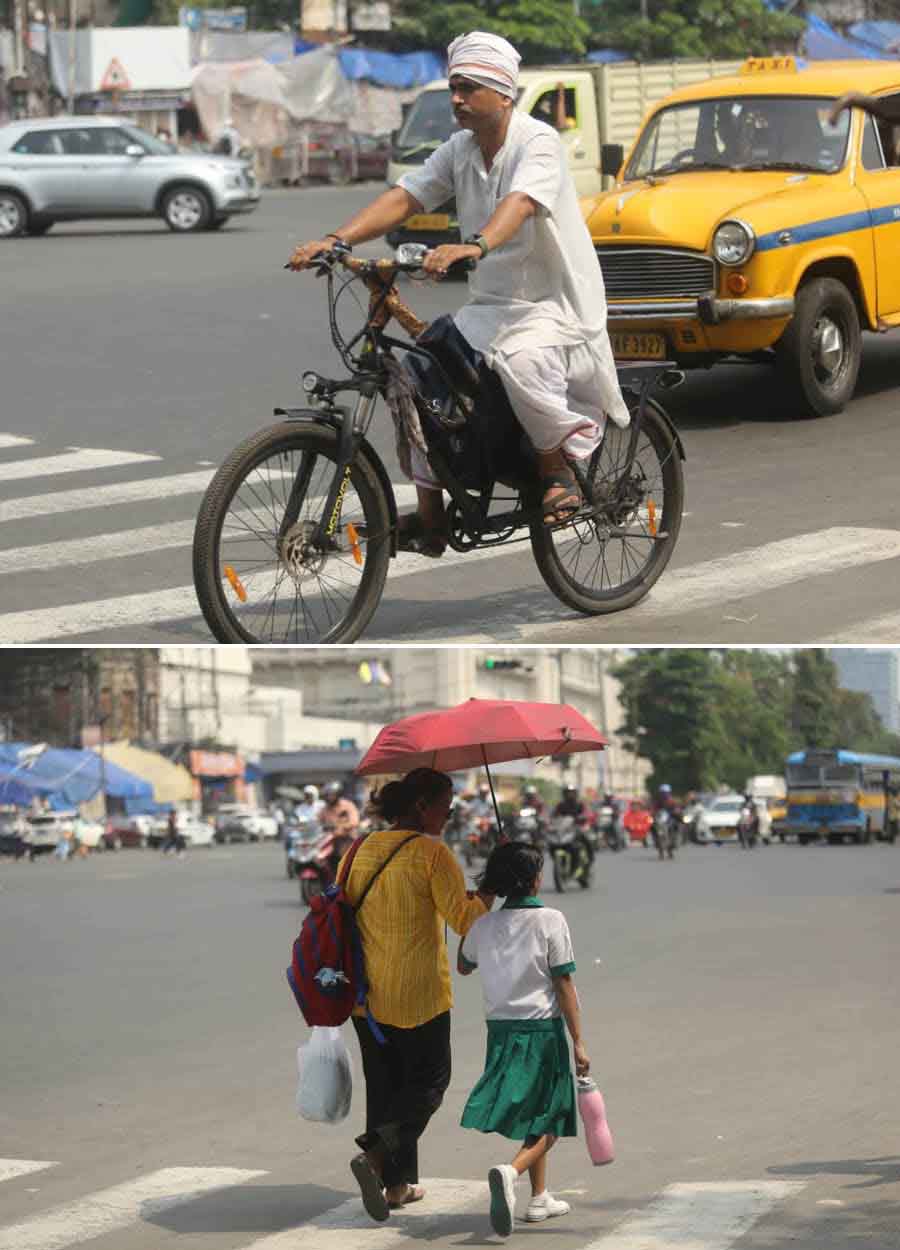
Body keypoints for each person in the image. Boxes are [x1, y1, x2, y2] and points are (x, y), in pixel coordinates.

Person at [287, 30, 629, 552]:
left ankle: (557, 469)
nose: (456, 99)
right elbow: (407, 196)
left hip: (552, 305)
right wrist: (336, 240)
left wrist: (476, 244)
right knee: (419, 375)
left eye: (467, 88)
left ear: (502, 92)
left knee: (522, 360)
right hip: (491, 308)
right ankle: (431, 518)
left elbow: (520, 204)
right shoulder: (461, 149)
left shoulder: (538, 141)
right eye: (453, 87)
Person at [337, 767, 494, 1221]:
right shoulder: (431, 853)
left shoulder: (360, 849)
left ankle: (398, 1187)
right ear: (422, 805)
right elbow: (465, 921)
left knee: (385, 1089)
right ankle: (376, 1155)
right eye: (446, 803)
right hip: (419, 995)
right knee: (429, 1083)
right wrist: (490, 886)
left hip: (365, 997)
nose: (450, 812)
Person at [457, 840, 588, 1236]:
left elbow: (464, 965)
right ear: (535, 878)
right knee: (552, 1114)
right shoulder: (550, 920)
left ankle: (540, 1196)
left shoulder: (483, 925)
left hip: (500, 1030)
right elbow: (563, 982)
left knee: (536, 1110)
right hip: (541, 1030)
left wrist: (483, 907)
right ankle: (509, 1172)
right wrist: (578, 1040)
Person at [320, 780, 361, 877]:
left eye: (332, 795)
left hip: (346, 838)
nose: (330, 797)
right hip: (329, 840)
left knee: (344, 861)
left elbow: (354, 821)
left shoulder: (347, 805)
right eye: (328, 795)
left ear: (338, 795)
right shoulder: (324, 808)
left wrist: (343, 826)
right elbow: (318, 821)